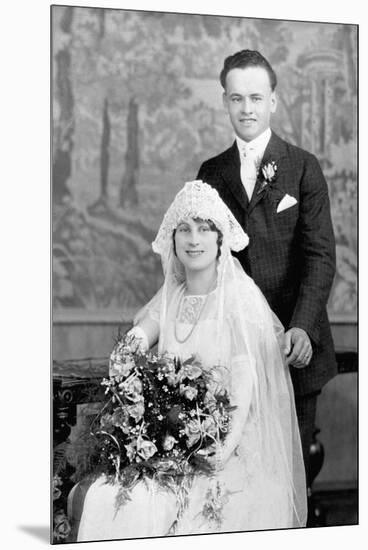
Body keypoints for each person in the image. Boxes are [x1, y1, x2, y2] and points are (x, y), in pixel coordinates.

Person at [74, 181, 307, 541]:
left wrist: (219, 447)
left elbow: (244, 391)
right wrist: (130, 352)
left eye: (204, 229)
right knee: (116, 497)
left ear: (219, 242)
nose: (193, 239)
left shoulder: (238, 300)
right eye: (184, 230)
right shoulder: (171, 296)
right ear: (174, 239)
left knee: (191, 512)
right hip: (169, 439)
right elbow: (142, 334)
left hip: (226, 443)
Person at [196, 49, 337, 479]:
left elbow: (320, 256)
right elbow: (204, 259)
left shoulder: (302, 168)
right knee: (236, 479)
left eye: (256, 98)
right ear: (225, 102)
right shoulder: (210, 172)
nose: (246, 108)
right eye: (236, 98)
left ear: (273, 101)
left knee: (288, 477)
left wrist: (302, 325)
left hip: (294, 343)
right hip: (233, 348)